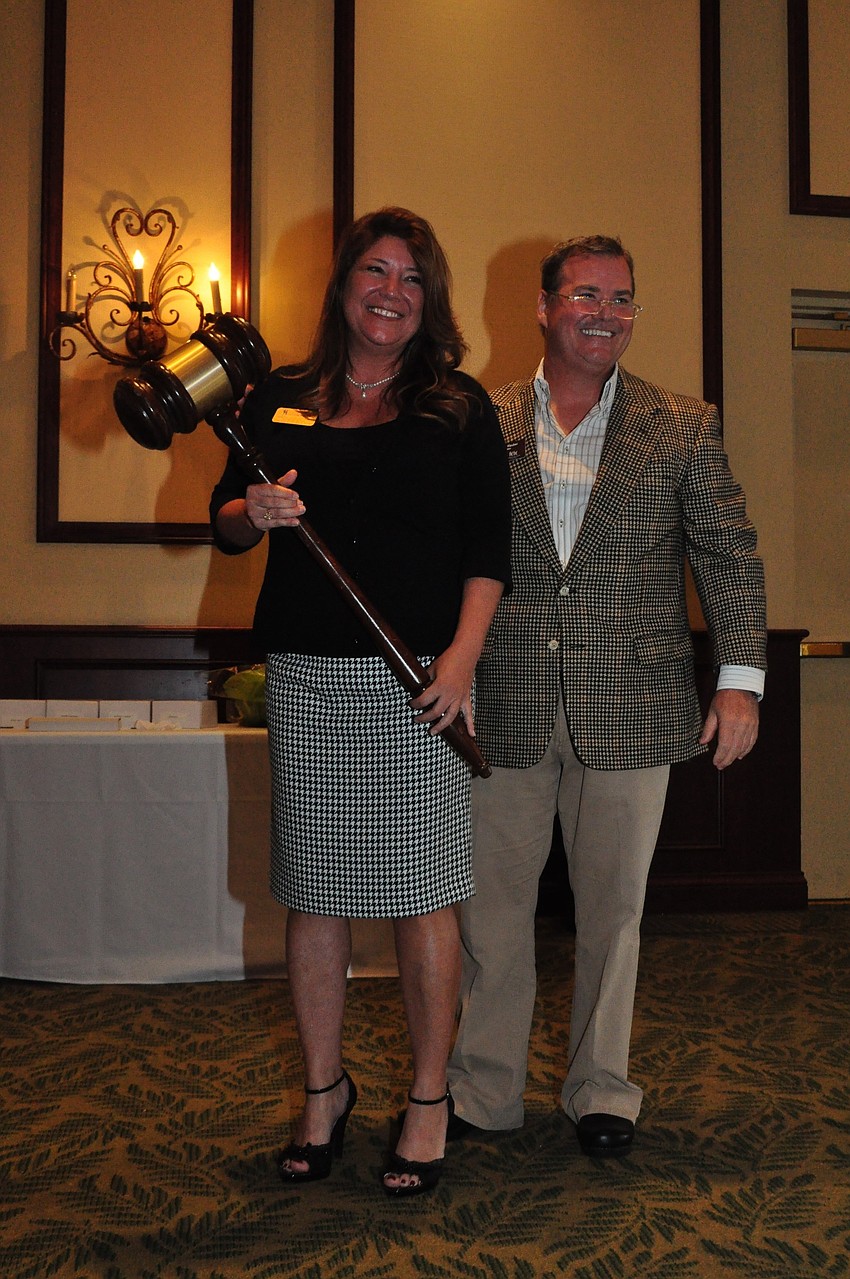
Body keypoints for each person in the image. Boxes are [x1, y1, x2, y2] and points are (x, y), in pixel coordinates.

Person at [210, 207, 511, 1196]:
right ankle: (323, 1090)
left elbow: (487, 553)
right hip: (307, 675)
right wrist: (247, 512)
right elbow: (224, 520)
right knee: (316, 893)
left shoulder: (457, 405)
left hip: (417, 677)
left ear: (431, 300)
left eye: (412, 277)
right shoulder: (277, 397)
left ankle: (427, 1098)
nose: (391, 290)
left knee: (424, 896)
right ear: (343, 284)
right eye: (375, 270)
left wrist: (461, 662)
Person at [447, 234, 766, 1157]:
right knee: (490, 911)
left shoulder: (682, 423)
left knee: (615, 912)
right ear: (544, 307)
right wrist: (448, 665)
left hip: (633, 704)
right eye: (586, 294)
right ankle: (482, 1091)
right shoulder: (479, 416)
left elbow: (727, 553)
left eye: (622, 298)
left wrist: (739, 680)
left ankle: (602, 1091)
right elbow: (445, 551)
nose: (605, 312)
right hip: (497, 703)